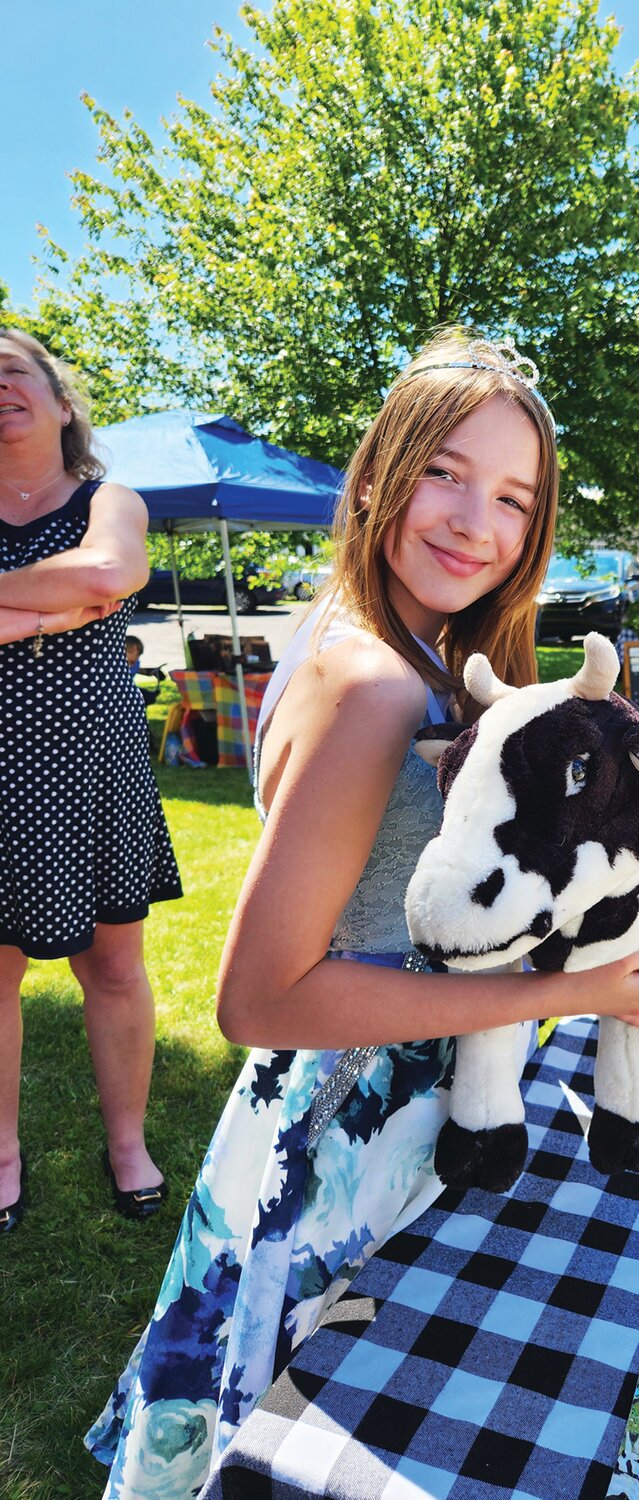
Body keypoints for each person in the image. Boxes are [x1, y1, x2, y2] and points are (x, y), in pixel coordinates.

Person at [86, 329, 639, 1497]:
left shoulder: (400, 643)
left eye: (515, 497)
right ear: (379, 471)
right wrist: (575, 993)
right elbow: (259, 997)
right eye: (446, 473)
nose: (479, 520)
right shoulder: (377, 682)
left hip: (379, 1111)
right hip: (348, 1131)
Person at [0, 330, 182, 1236]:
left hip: (88, 770)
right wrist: (50, 613)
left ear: (61, 401)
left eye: (13, 371)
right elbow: (85, 589)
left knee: (112, 965)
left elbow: (112, 570)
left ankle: (127, 1145)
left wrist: (8, 603)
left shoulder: (112, 497)